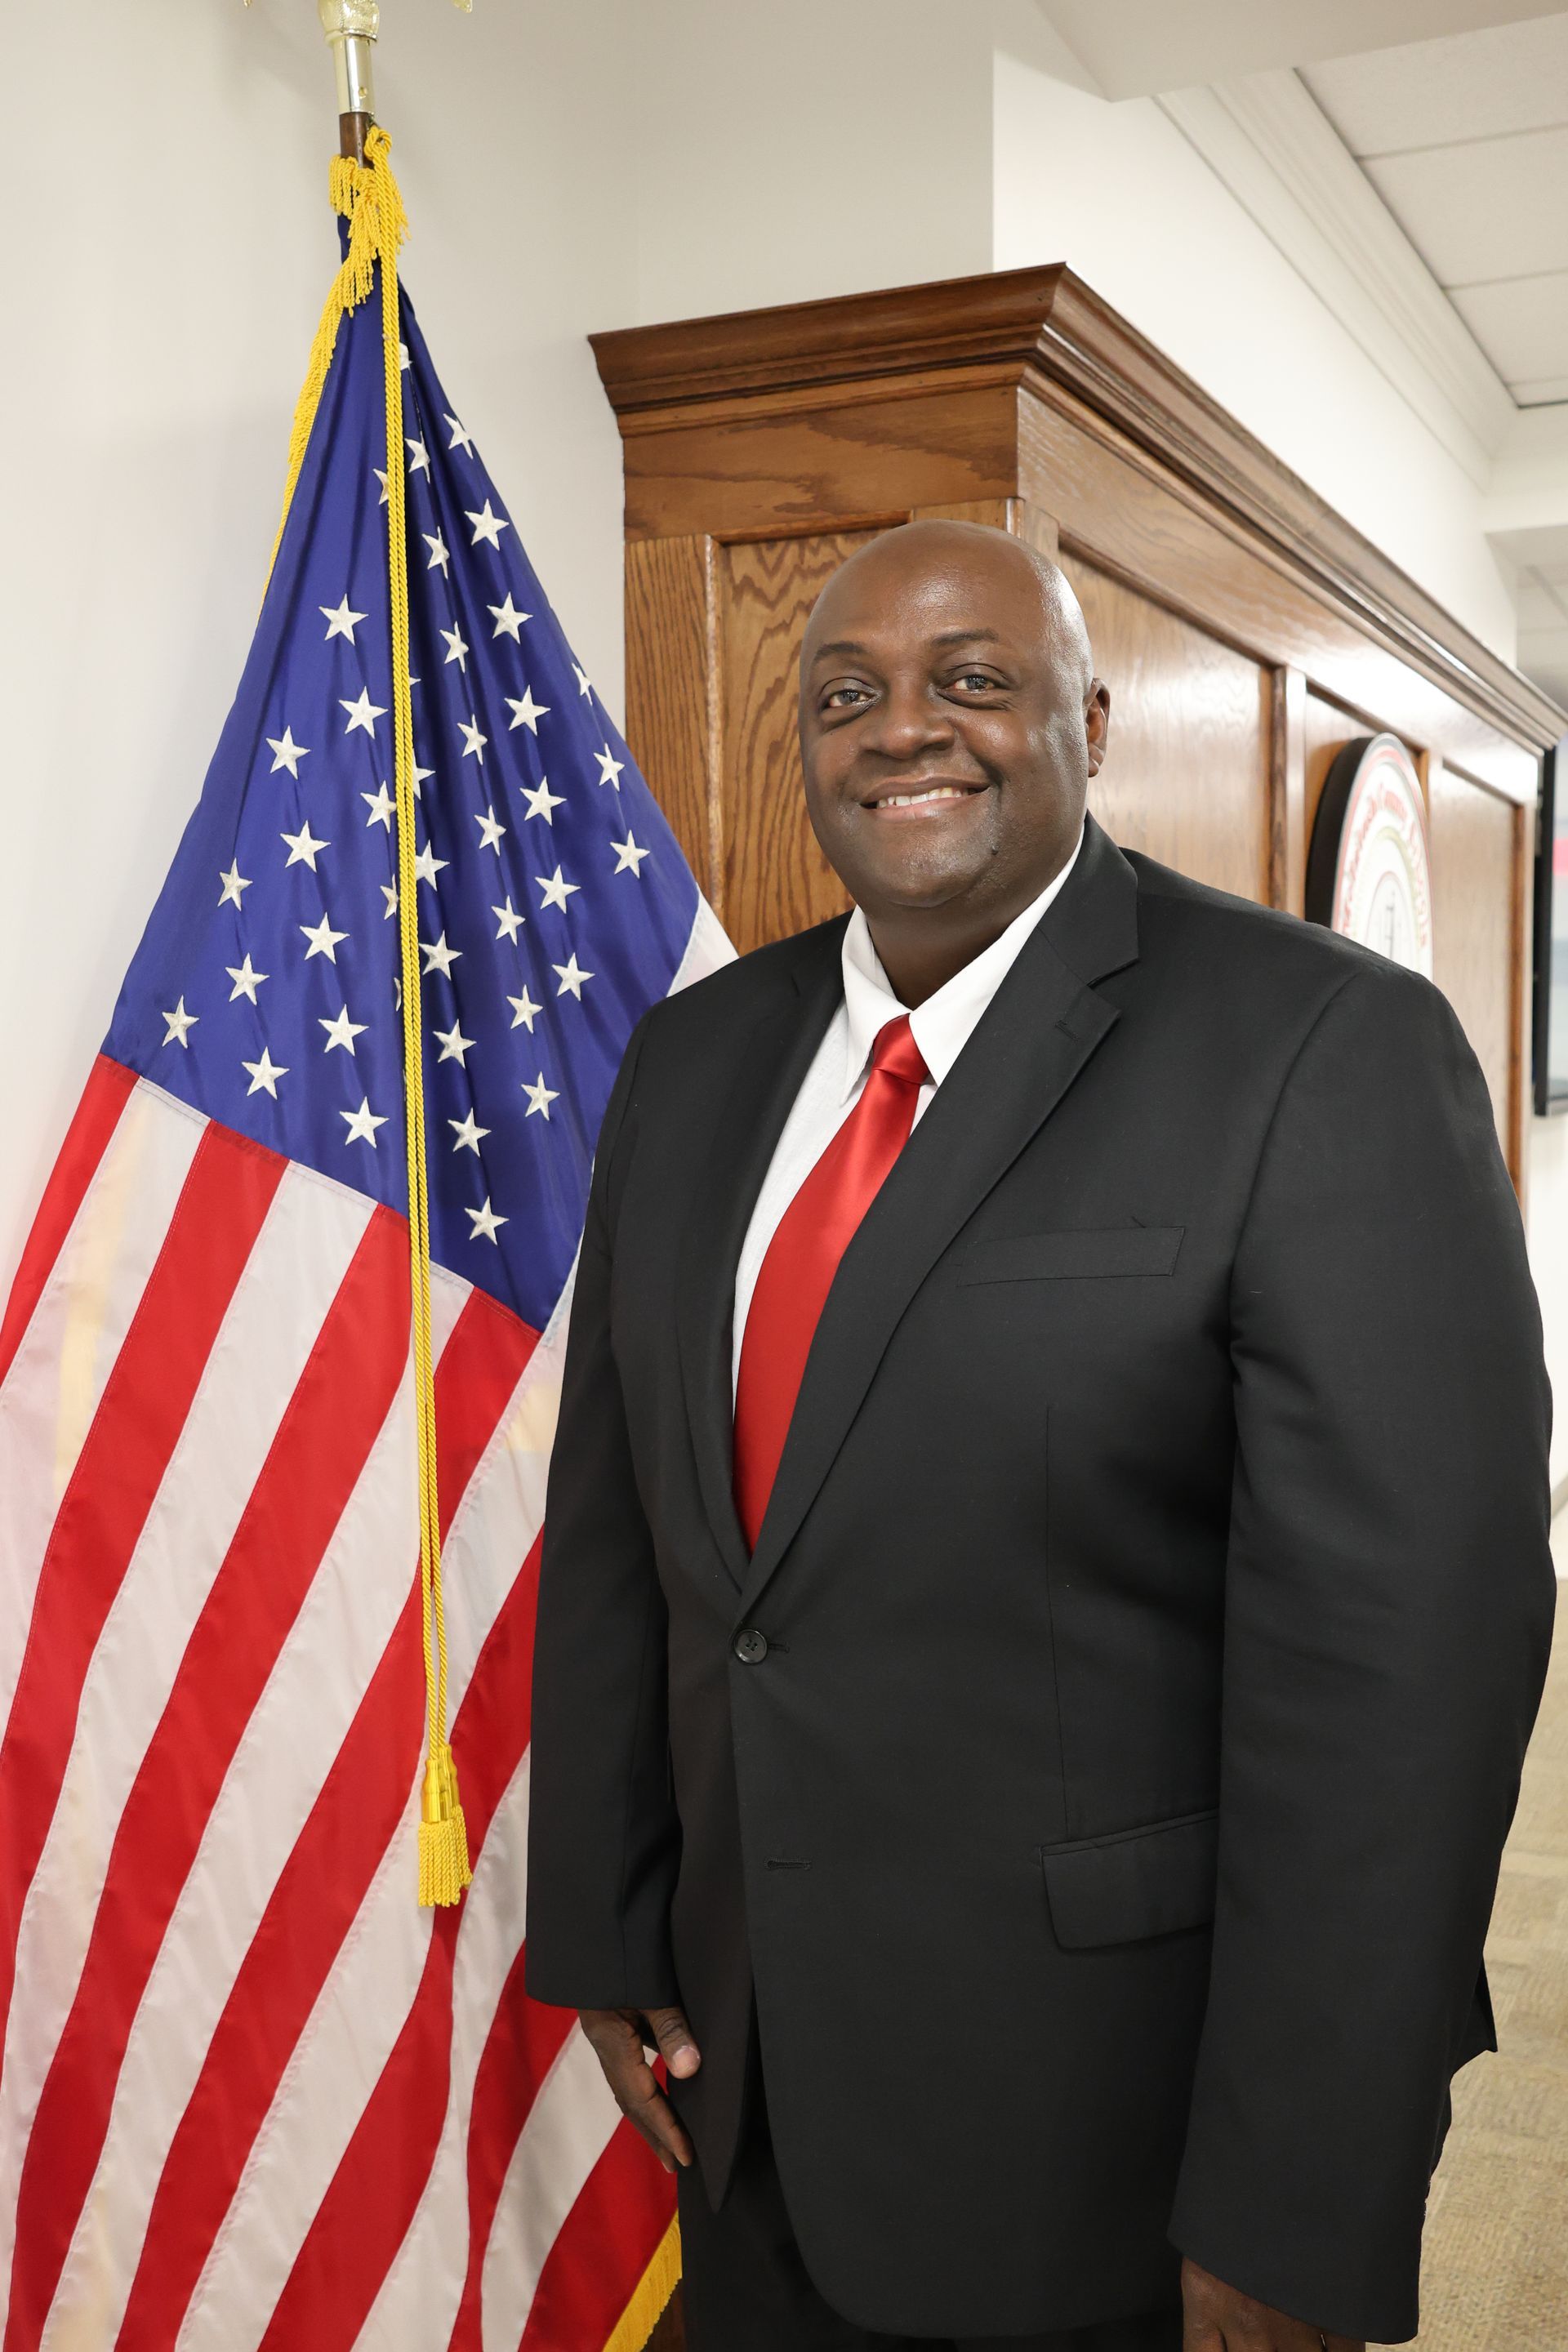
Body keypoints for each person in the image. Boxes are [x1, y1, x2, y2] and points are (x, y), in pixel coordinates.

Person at [524, 519, 1554, 2351]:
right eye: (849, 696)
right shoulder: (692, 1063)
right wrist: (607, 1927)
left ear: (1084, 716)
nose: (904, 729)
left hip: (1114, 2153)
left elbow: (1409, 1684)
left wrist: (1299, 2191)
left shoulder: (1320, 1045)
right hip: (747, 2089)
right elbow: (625, 1532)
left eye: (972, 682)